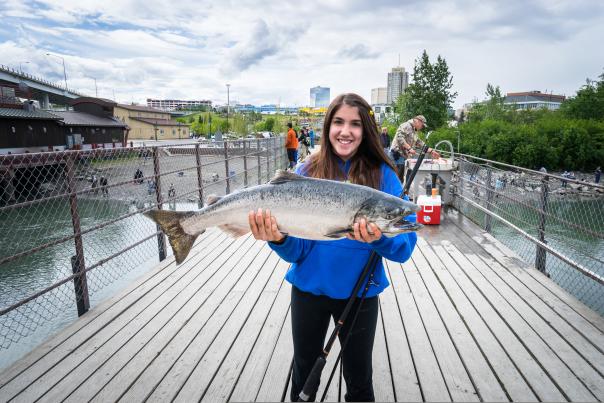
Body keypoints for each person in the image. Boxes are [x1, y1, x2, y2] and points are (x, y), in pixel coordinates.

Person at [248, 93, 417, 402]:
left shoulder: (385, 175)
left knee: (359, 380)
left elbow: (404, 249)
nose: (345, 131)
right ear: (327, 127)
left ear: (365, 130)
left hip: (360, 295)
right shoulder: (307, 170)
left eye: (355, 124)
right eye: (338, 122)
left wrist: (377, 238)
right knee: (302, 374)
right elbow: (298, 252)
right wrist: (278, 239)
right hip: (308, 291)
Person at [389, 115, 440, 181]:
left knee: (400, 178)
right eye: (422, 125)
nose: (422, 127)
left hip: (402, 156)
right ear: (418, 121)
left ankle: (401, 190)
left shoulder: (414, 131)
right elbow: (399, 137)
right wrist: (409, 148)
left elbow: (419, 142)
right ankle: (393, 191)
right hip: (396, 155)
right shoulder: (406, 125)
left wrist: (431, 151)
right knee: (396, 179)